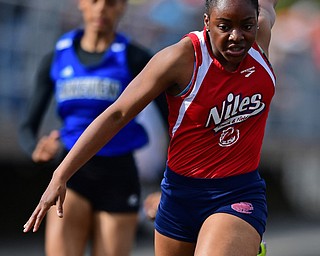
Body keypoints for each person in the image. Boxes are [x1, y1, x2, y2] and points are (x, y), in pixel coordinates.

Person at [23, 0, 278, 255]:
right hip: (179, 196)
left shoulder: (260, 41)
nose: (237, 37)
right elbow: (118, 114)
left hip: (236, 193)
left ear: (257, 20)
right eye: (224, 26)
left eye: (247, 26)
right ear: (207, 23)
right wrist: (61, 175)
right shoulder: (180, 59)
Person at [18, 0, 160, 255]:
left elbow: (176, 121)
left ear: (123, 7)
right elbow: (27, 128)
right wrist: (36, 150)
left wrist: (166, 183)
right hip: (71, 173)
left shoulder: (135, 58)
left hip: (119, 172)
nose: (101, 9)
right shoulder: (57, 57)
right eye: (94, 1)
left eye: (111, 3)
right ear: (81, 4)